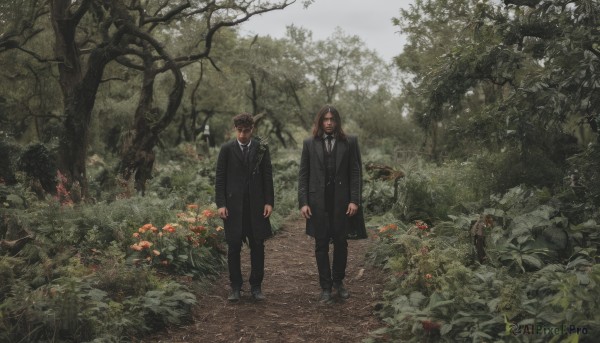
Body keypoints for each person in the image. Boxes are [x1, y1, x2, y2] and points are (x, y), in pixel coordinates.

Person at [298, 105, 367, 303]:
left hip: (342, 203)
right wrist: (303, 202)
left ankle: (338, 282)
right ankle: (325, 287)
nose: (328, 123)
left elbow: (355, 173)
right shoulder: (309, 143)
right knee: (320, 245)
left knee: (341, 243)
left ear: (337, 121)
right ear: (320, 121)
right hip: (317, 203)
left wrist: (354, 200)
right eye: (325, 119)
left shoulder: (350, 142)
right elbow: (303, 175)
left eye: (332, 119)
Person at [215, 113, 274, 302]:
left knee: (258, 246)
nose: (242, 135)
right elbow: (220, 178)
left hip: (256, 207)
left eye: (246, 131)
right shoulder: (226, 150)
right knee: (233, 247)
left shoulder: (261, 149)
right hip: (233, 208)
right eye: (239, 131)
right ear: (235, 130)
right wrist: (221, 204)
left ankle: (256, 286)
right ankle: (235, 287)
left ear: (252, 130)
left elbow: (267, 176)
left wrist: (268, 202)